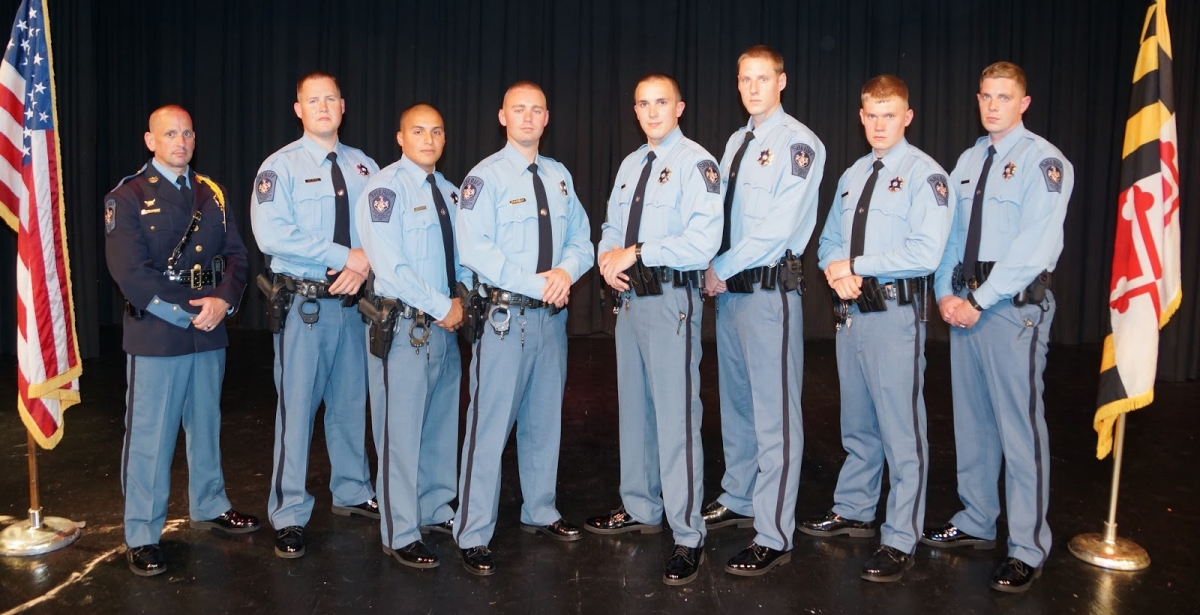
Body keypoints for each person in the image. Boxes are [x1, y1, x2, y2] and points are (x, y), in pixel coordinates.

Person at [925, 61, 1074, 593]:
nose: (992, 106)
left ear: (1024, 102)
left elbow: (1035, 248)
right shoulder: (967, 161)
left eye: (1004, 97)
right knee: (973, 422)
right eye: (986, 96)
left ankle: (1028, 547)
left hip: (1011, 307)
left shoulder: (1045, 162)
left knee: (1020, 428)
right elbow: (950, 236)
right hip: (965, 301)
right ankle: (976, 519)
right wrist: (944, 290)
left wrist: (981, 300)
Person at [804, 75, 953, 583]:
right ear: (861, 116)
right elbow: (827, 240)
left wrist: (856, 265)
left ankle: (901, 535)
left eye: (889, 115)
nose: (879, 124)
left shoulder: (925, 176)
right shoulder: (852, 175)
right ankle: (855, 509)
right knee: (858, 424)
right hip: (852, 316)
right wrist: (832, 269)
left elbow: (925, 253)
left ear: (907, 117)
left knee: (901, 430)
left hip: (894, 317)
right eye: (871, 114)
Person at [105, 105, 258, 576]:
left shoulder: (211, 192)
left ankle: (210, 503)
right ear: (150, 141)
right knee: (151, 437)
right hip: (159, 334)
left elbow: (237, 256)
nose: (181, 141)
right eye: (169, 133)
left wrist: (224, 303)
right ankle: (143, 533)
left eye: (187, 133)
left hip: (208, 332)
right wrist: (189, 312)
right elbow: (130, 272)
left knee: (206, 425)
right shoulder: (127, 197)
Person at [585, 74, 723, 586]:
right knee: (636, 412)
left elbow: (702, 242)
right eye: (642, 103)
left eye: (660, 102)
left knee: (676, 418)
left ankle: (688, 534)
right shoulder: (629, 164)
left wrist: (637, 253)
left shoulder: (697, 164)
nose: (651, 111)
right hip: (629, 301)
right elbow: (610, 229)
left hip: (671, 300)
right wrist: (605, 258)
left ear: (679, 107)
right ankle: (640, 506)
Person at [452, 81, 594, 576]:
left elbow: (583, 238)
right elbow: (475, 251)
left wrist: (566, 273)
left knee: (543, 422)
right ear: (502, 117)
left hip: (550, 320)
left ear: (547, 117)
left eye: (536, 110)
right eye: (519, 110)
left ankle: (541, 509)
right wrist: (537, 283)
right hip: (504, 320)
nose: (528, 118)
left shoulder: (558, 176)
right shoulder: (482, 179)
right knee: (488, 429)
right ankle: (471, 531)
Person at [703, 44, 825, 577]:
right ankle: (741, 494)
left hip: (769, 294)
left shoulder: (800, 144)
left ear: (782, 81)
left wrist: (720, 265)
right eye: (744, 80)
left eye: (762, 79)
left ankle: (774, 530)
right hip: (730, 294)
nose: (753, 88)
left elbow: (777, 228)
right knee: (738, 405)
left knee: (775, 416)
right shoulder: (735, 142)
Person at [250, 71, 380, 559]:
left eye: (331, 99)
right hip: (304, 307)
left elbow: (382, 228)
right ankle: (288, 512)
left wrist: (363, 258)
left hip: (353, 307)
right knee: (297, 411)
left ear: (343, 106)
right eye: (313, 100)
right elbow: (272, 235)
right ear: (298, 109)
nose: (323, 107)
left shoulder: (366, 166)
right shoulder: (278, 168)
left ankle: (351, 491)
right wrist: (342, 254)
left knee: (350, 405)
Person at [356, 103, 466, 569]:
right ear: (400, 138)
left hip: (446, 328)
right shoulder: (383, 190)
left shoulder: (452, 192)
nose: (428, 139)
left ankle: (435, 508)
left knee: (441, 426)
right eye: (418, 131)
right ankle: (400, 531)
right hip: (404, 328)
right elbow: (392, 268)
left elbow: (463, 259)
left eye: (436, 131)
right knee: (399, 434)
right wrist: (445, 307)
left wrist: (464, 300)